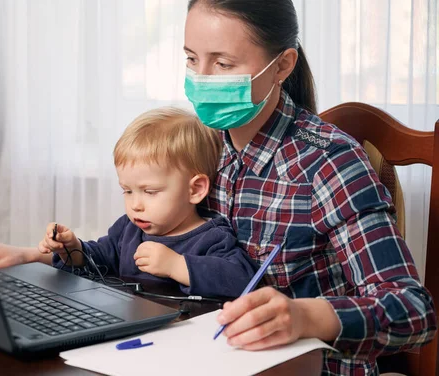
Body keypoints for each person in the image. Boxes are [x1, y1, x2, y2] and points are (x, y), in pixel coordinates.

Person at [181, 0, 436, 374]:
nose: (201, 79)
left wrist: (305, 317)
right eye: (191, 59)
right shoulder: (198, 145)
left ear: (282, 65)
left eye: (223, 64)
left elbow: (413, 313)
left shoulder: (329, 162)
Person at [0, 107, 257, 298]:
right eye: (127, 191)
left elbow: (241, 280)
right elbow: (97, 262)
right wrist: (72, 248)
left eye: (150, 192)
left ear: (195, 190)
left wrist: (177, 265)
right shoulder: (129, 229)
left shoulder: (212, 237)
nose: (136, 205)